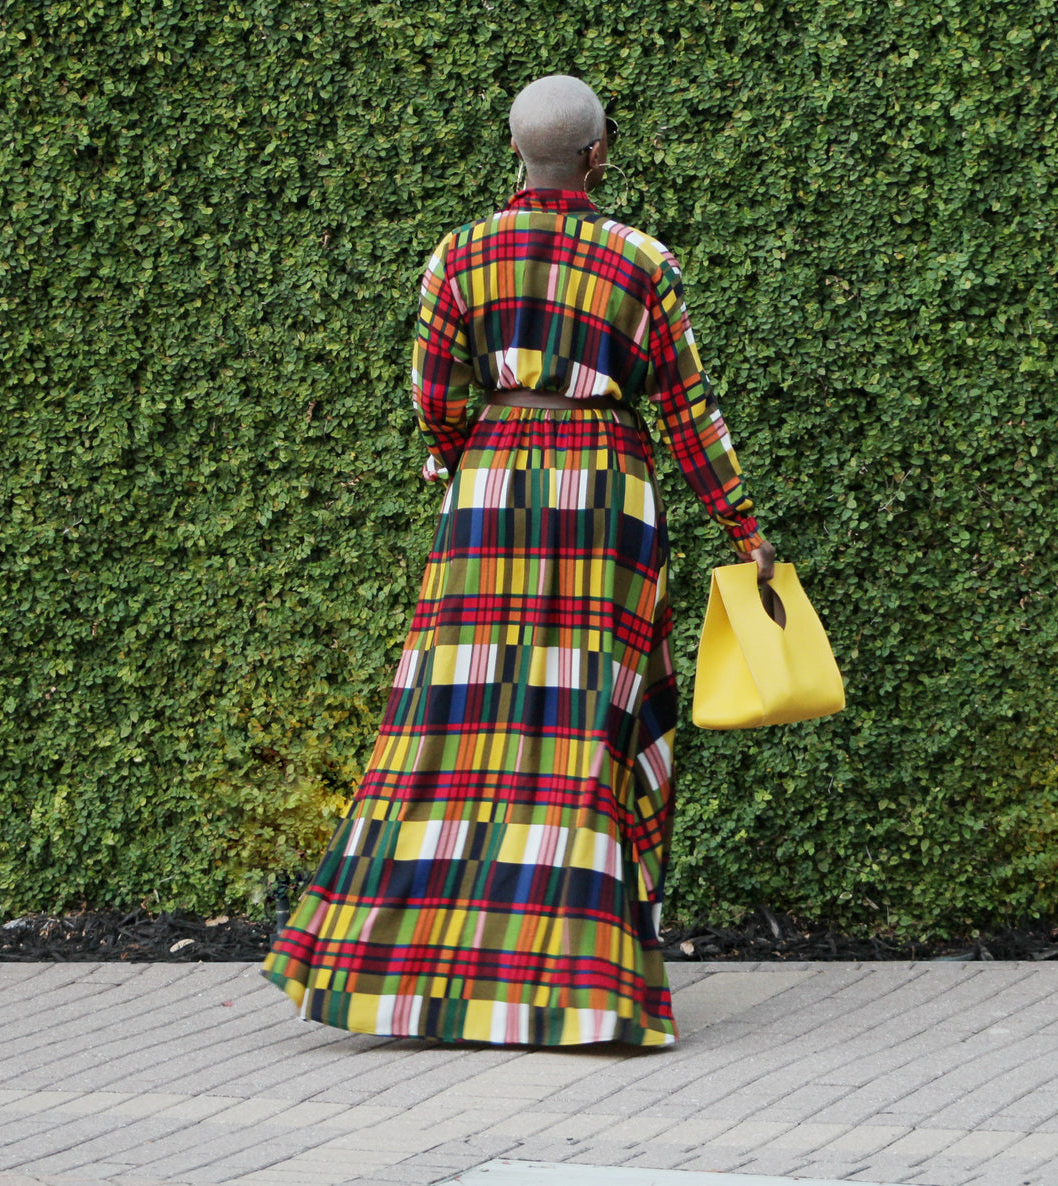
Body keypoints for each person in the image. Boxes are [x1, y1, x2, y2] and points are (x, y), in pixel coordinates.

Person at [261, 74, 773, 1047]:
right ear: (597, 153)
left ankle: (409, 976)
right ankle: (583, 990)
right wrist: (742, 527)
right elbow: (685, 412)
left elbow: (434, 397)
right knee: (585, 731)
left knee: (451, 733)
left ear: (514, 151)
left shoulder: (457, 255)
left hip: (488, 498)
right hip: (603, 502)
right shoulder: (640, 261)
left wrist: (466, 458)